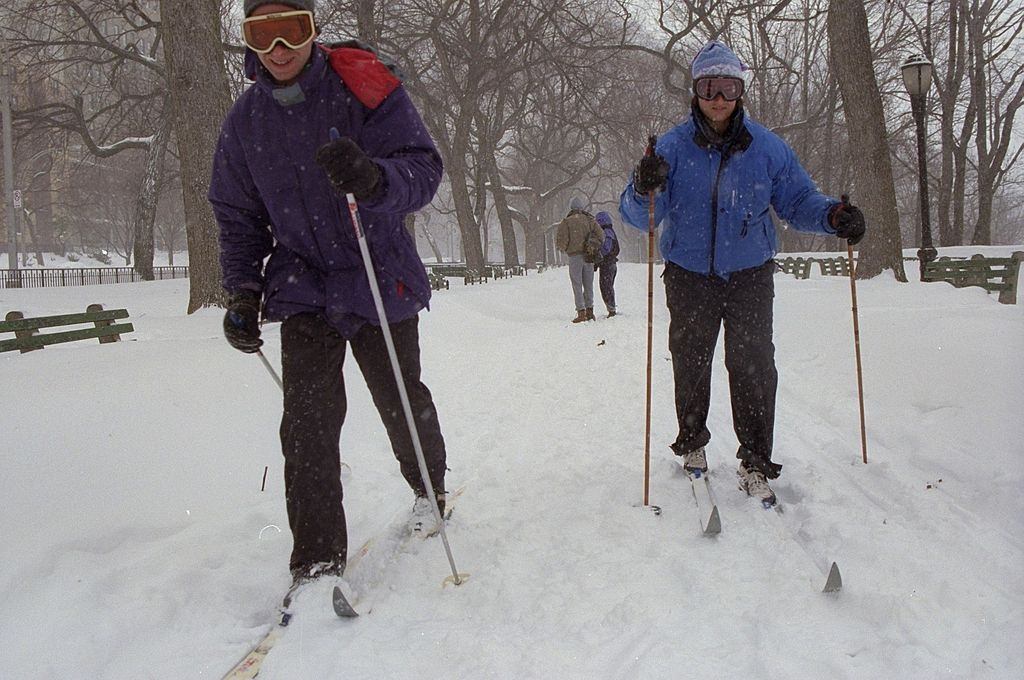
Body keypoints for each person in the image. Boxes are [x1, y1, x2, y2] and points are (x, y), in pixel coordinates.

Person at [209, 0, 449, 584]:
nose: (278, 49)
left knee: (398, 399)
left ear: (312, 32)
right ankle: (316, 559)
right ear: (249, 43)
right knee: (308, 426)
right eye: (261, 36)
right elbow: (238, 217)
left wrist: (375, 179)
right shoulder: (245, 124)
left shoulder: (364, 89)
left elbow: (423, 168)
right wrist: (242, 292)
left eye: (291, 31)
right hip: (302, 284)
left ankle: (430, 491)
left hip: (376, 270)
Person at [618, 40, 865, 506]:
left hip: (750, 272)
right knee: (691, 360)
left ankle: (755, 460)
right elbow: (640, 216)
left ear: (741, 92)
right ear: (696, 91)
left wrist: (833, 216)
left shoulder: (768, 149)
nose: (719, 97)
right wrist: (641, 185)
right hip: (690, 273)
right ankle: (692, 444)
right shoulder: (670, 148)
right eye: (709, 86)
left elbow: (798, 202)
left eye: (728, 87)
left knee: (753, 366)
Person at [555, 197, 605, 323]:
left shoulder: (566, 222)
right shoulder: (590, 220)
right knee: (588, 284)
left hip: (574, 257)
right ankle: (590, 311)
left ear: (571, 207)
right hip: (589, 256)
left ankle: (581, 312)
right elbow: (601, 235)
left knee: (577, 284)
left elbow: (561, 241)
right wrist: (592, 245)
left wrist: (566, 248)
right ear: (582, 207)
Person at [593, 211, 620, 317]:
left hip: (607, 264)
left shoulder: (607, 232)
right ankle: (611, 308)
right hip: (610, 263)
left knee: (606, 287)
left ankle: (611, 310)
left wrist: (598, 255)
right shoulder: (610, 231)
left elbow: (606, 249)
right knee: (608, 286)